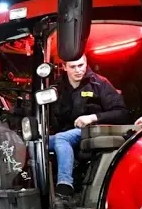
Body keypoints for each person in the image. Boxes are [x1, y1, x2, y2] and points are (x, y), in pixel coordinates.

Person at [49, 53, 129, 197]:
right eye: (73, 67)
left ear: (86, 64)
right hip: (65, 132)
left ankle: (65, 184)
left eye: (81, 65)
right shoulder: (57, 88)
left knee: (62, 138)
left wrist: (93, 117)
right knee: (37, 143)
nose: (78, 70)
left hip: (90, 130)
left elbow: (122, 112)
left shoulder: (99, 84)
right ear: (64, 67)